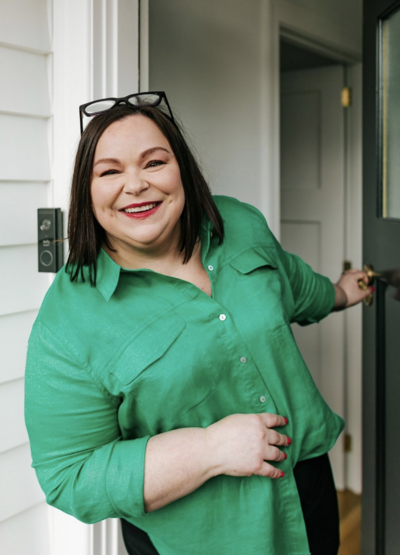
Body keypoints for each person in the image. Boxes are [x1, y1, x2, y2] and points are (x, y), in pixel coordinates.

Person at [25, 92, 372, 555]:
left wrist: (344, 292)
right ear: (86, 192)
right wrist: (210, 449)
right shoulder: (68, 319)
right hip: (199, 534)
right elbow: (70, 476)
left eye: (154, 162)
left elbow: (292, 284)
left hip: (307, 489)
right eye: (110, 171)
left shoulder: (240, 223)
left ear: (181, 169)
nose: (136, 185)